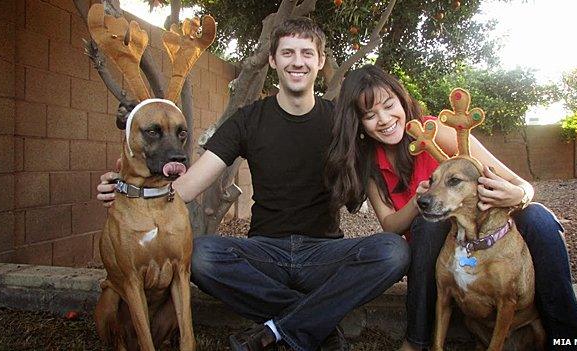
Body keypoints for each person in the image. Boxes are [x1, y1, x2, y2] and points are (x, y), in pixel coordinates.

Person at [98, 19, 409, 351]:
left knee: (391, 252)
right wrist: (130, 187)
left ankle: (277, 329)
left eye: (307, 52)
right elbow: (186, 188)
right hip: (265, 253)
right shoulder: (248, 119)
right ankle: (317, 326)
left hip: (323, 254)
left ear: (320, 61)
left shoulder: (340, 121)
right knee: (202, 256)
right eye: (287, 52)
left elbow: (393, 135)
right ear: (273, 61)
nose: (297, 61)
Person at [325, 65, 577, 351]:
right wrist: (420, 202)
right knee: (428, 224)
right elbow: (391, 226)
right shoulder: (370, 165)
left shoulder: (433, 130)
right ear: (359, 123)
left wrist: (519, 193)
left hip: (482, 230)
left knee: (539, 217)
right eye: (370, 115)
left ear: (402, 101)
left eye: (389, 105)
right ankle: (417, 341)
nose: (384, 119)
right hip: (432, 250)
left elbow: (518, 183)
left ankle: (573, 339)